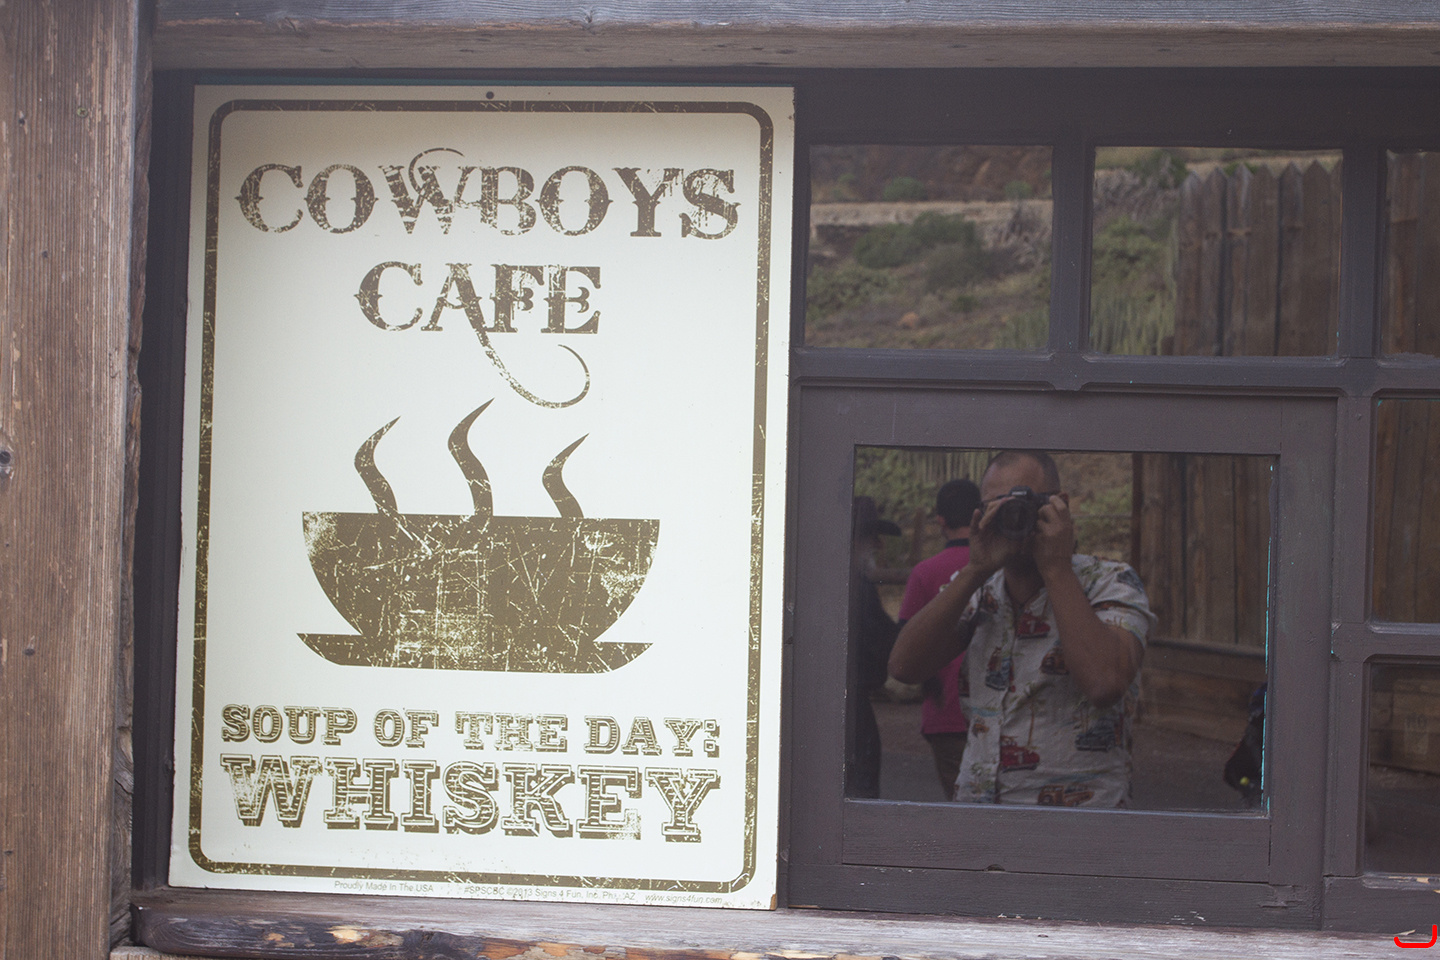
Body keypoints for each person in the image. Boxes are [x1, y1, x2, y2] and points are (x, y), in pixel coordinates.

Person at [889, 451, 1154, 806]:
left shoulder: (1110, 581)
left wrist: (1056, 568)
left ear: (1060, 505)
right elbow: (904, 667)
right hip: (978, 812)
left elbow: (1105, 683)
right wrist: (975, 570)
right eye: (997, 506)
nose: (1012, 516)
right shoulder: (980, 589)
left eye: (1024, 503)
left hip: (1079, 822)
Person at [896, 479, 982, 800]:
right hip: (998, 712)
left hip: (946, 712)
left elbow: (906, 643)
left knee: (960, 803)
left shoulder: (924, 572)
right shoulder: (1001, 566)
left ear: (940, 521)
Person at [847, 496, 903, 798]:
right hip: (851, 715)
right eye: (871, 536)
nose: (879, 546)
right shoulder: (856, 587)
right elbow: (886, 644)